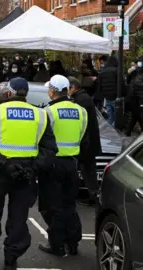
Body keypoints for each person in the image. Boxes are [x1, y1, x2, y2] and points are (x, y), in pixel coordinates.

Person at [0, 77, 57, 270]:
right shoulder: (41, 115)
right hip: (27, 174)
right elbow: (50, 150)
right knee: (19, 217)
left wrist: (4, 165)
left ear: (9, 93)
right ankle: (11, 260)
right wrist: (33, 168)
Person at [38, 75, 88, 256]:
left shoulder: (49, 112)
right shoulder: (81, 111)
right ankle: (73, 244)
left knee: (53, 206)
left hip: (53, 164)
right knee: (69, 205)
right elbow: (82, 134)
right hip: (72, 164)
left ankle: (56, 245)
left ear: (52, 91)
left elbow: (43, 137)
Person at [68, 76, 102, 206]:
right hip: (89, 140)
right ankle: (92, 195)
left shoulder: (81, 100)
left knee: (88, 171)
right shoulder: (83, 98)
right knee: (86, 170)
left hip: (88, 142)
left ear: (73, 87)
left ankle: (94, 196)